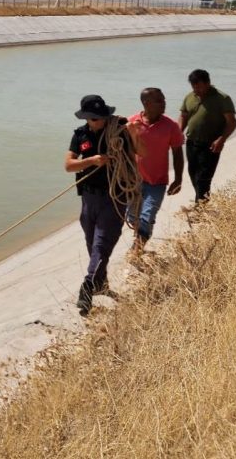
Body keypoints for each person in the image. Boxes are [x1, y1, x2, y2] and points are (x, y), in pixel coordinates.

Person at [65, 95, 143, 317]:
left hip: (114, 197)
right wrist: (92, 160)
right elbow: (68, 165)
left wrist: (135, 134)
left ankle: (87, 287)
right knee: (92, 245)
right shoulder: (80, 135)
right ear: (87, 118)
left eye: (102, 117)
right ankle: (101, 282)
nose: (99, 121)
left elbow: (141, 153)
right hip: (88, 199)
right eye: (95, 119)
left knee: (101, 245)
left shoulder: (120, 131)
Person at [127, 88, 185, 250]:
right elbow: (120, 150)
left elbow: (178, 153)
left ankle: (136, 251)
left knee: (147, 216)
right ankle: (139, 238)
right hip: (133, 181)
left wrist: (178, 179)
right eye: (159, 101)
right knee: (132, 217)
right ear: (146, 103)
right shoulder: (131, 122)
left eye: (164, 100)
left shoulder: (171, 126)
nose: (164, 104)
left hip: (157, 182)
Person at [179, 69, 236, 203]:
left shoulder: (222, 98)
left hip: (211, 144)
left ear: (208, 83)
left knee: (204, 177)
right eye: (193, 87)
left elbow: (232, 122)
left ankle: (200, 208)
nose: (195, 90)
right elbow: (183, 116)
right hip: (191, 143)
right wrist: (178, 133)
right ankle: (202, 202)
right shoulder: (189, 97)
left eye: (198, 87)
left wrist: (222, 139)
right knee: (193, 174)